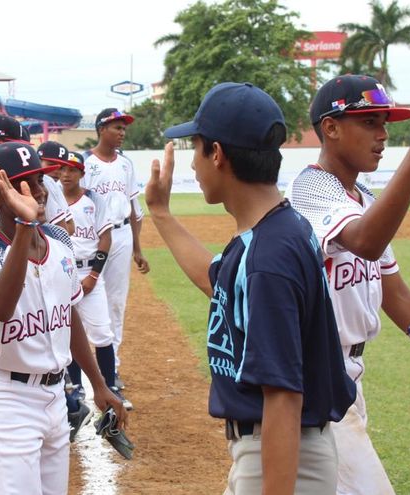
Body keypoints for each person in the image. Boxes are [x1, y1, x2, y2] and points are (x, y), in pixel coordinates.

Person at [145, 82, 357, 494]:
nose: (193, 166)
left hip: (281, 456)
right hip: (278, 451)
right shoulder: (275, 230)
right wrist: (161, 213)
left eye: (196, 148)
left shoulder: (268, 256)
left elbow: (283, 396)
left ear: (217, 154)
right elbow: (219, 283)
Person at [285, 74, 410, 494]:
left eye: (384, 124)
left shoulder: (363, 197)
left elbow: (395, 295)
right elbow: (365, 242)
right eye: (369, 122)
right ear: (331, 127)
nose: (382, 135)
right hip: (313, 380)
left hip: (345, 380)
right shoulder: (309, 188)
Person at [0, 141, 127, 495]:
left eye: (38, 180)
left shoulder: (58, 239)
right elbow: (0, 307)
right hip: (7, 399)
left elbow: (68, 315)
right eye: (22, 184)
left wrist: (99, 384)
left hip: (55, 396)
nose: (37, 191)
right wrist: (24, 226)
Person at [56, 149, 127, 434]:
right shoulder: (52, 197)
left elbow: (105, 238)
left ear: (82, 173)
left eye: (73, 169)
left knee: (101, 333)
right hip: (63, 272)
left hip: (89, 273)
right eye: (63, 169)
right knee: (66, 333)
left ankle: (109, 387)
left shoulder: (94, 199)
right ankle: (75, 389)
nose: (66, 174)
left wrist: (94, 275)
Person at [82, 108, 149, 386]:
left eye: (123, 128)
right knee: (85, 299)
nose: (122, 133)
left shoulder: (125, 163)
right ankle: (84, 367)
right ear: (101, 129)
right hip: (94, 237)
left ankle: (113, 366)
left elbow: (134, 208)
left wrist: (137, 249)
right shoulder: (86, 163)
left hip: (121, 235)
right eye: (117, 128)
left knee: (116, 302)